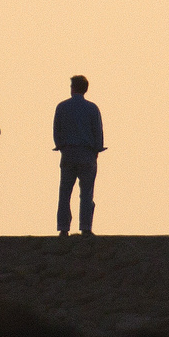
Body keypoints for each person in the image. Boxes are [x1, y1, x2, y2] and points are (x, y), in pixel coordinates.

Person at [52, 75, 105, 236]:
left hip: (68, 152)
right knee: (87, 193)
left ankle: (63, 227)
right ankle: (86, 227)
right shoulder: (92, 108)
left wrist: (62, 147)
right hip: (87, 153)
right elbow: (98, 133)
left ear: (72, 88)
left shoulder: (62, 107)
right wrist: (96, 151)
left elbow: (57, 131)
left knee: (65, 192)